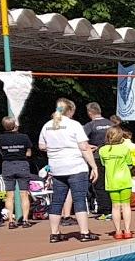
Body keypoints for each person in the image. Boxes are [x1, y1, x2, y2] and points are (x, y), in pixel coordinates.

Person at [38, 98, 99, 242]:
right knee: (79, 199)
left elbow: (41, 146)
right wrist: (94, 166)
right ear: (70, 110)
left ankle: (55, 233)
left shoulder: (47, 125)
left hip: (57, 167)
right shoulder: (74, 125)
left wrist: (56, 148)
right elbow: (84, 147)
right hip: (75, 166)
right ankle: (84, 232)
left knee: (57, 201)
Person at [98, 126, 135, 239]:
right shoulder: (125, 149)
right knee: (126, 206)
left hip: (111, 181)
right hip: (124, 180)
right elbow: (129, 164)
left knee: (115, 206)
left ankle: (118, 231)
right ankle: (128, 230)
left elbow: (103, 164)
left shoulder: (102, 150)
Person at [0, 116, 33, 228]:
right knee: (24, 194)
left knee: (9, 195)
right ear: (14, 125)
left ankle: (11, 220)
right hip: (22, 164)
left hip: (7, 164)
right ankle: (25, 220)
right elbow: (29, 153)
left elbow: (1, 152)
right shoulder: (24, 137)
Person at [84, 102, 113, 219]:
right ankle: (114, 208)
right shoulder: (110, 124)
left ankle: (105, 210)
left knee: (99, 183)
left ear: (90, 112)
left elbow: (81, 141)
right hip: (112, 156)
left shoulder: (90, 125)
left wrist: (92, 146)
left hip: (96, 157)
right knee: (111, 182)